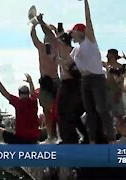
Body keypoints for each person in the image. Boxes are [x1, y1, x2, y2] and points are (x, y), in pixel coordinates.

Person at [38, 0, 115, 144]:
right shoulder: (75, 50)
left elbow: (52, 36)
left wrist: (42, 23)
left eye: (73, 32)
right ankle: (87, 138)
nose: (72, 34)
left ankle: (77, 140)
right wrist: (56, 59)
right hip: (81, 83)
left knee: (68, 113)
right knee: (83, 113)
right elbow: (66, 64)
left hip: (77, 84)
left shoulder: (84, 42)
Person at [37, 17, 89, 144]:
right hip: (76, 85)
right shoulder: (73, 51)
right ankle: (84, 137)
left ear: (62, 41)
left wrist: (41, 22)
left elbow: (49, 35)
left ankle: (69, 140)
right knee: (73, 114)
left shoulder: (63, 48)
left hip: (68, 85)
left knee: (63, 113)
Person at [0, 72, 40, 144]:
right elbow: (33, 93)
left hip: (20, 139)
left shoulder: (18, 102)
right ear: (28, 93)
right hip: (33, 139)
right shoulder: (33, 102)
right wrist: (30, 82)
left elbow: (4, 92)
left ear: (19, 94)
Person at [31, 23, 59, 144]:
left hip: (55, 81)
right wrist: (34, 25)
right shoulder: (41, 47)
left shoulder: (57, 48)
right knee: (46, 111)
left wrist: (54, 29)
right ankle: (50, 136)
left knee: (59, 110)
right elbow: (33, 37)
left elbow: (60, 37)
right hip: (45, 82)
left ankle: (58, 135)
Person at [104, 49, 126, 142]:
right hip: (106, 92)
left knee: (119, 116)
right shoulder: (106, 65)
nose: (108, 58)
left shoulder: (120, 67)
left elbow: (120, 81)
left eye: (110, 56)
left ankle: (124, 137)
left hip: (116, 92)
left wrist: (119, 92)